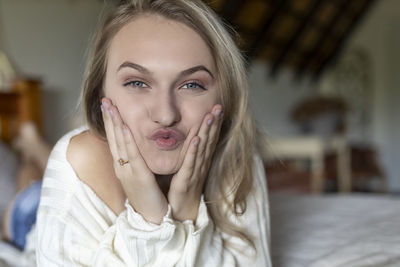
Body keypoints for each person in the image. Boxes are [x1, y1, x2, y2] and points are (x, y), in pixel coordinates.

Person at [36, 0, 272, 266]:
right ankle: (30, 147)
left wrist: (185, 212)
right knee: (22, 207)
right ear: (99, 93)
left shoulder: (237, 157)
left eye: (191, 84)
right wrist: (147, 221)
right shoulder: (79, 161)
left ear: (225, 96)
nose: (165, 114)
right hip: (30, 218)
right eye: (137, 82)